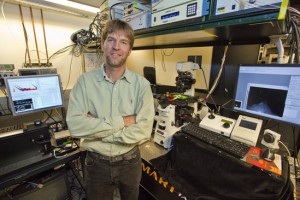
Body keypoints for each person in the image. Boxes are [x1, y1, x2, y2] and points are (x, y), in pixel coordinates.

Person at [66, 19, 155, 200]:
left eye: (123, 42)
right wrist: (124, 121)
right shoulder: (84, 83)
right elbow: (75, 126)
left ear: (130, 50)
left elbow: (144, 130)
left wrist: (95, 128)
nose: (116, 47)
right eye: (111, 40)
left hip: (130, 162)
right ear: (102, 44)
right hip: (96, 164)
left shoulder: (142, 86)